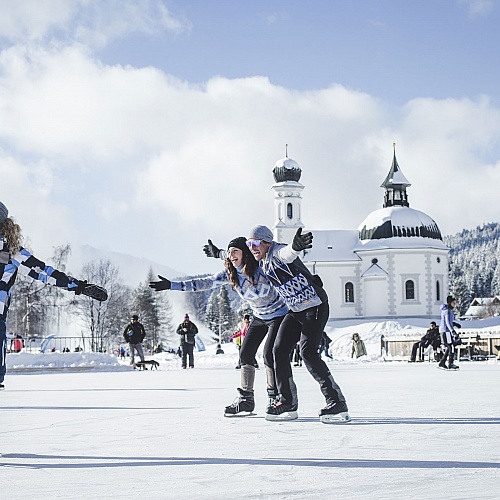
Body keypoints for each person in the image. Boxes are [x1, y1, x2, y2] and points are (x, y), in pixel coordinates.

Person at [149, 237, 289, 416]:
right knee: (245, 354)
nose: (231, 256)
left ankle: (274, 397)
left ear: (245, 253)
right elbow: (202, 283)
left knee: (269, 354)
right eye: (228, 253)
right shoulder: (229, 272)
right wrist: (171, 285)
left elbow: (283, 264)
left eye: (235, 252)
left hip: (279, 314)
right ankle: (246, 399)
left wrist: (309, 280)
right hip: (259, 316)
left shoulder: (260, 266)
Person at [245, 225, 349, 423]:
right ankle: (287, 402)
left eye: (256, 243)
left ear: (267, 242)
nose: (252, 247)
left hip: (315, 306)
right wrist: (219, 253)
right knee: (278, 350)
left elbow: (288, 254)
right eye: (250, 244)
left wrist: (295, 246)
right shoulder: (262, 259)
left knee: (308, 353)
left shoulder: (276, 252)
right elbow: (236, 253)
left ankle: (336, 401)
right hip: (296, 310)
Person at [0, 202, 105, 390]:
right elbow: (44, 273)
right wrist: (77, 286)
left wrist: (78, 286)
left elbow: (43, 272)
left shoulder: (10, 251)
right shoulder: (10, 250)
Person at [439, 295, 460, 370]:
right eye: (453, 302)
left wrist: (454, 324)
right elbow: (447, 323)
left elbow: (448, 322)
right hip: (446, 331)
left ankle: (442, 362)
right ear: (449, 303)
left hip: (445, 330)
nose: (455, 304)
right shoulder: (447, 311)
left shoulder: (448, 310)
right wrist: (453, 331)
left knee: (449, 347)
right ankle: (450, 363)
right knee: (450, 346)